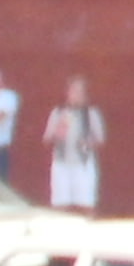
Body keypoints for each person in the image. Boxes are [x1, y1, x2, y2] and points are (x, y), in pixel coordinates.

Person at [43, 77, 106, 213]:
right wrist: (57, 134)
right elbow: (47, 138)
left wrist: (88, 142)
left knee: (87, 203)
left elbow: (100, 139)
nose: (77, 95)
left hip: (83, 164)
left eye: (80, 92)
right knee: (60, 204)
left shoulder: (91, 113)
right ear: (68, 93)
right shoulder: (58, 112)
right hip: (61, 164)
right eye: (74, 91)